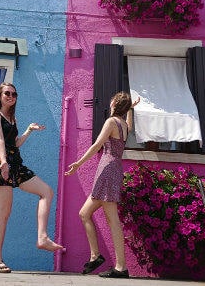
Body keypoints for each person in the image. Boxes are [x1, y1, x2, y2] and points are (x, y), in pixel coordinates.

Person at [0, 82, 63, 273]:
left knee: (46, 191)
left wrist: (28, 130)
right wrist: (3, 162)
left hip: (16, 163)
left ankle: (42, 237)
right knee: (4, 213)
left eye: (14, 94)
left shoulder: (13, 118)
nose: (11, 97)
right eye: (7, 94)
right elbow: (0, 140)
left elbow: (15, 143)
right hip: (1, 162)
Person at [65, 91, 139, 278]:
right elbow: (129, 124)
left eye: (112, 100)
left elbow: (97, 145)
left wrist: (78, 164)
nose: (110, 101)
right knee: (84, 213)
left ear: (114, 104)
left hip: (107, 169)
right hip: (112, 169)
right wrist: (130, 109)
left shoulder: (111, 122)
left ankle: (121, 268)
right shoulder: (123, 125)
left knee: (112, 220)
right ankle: (96, 255)